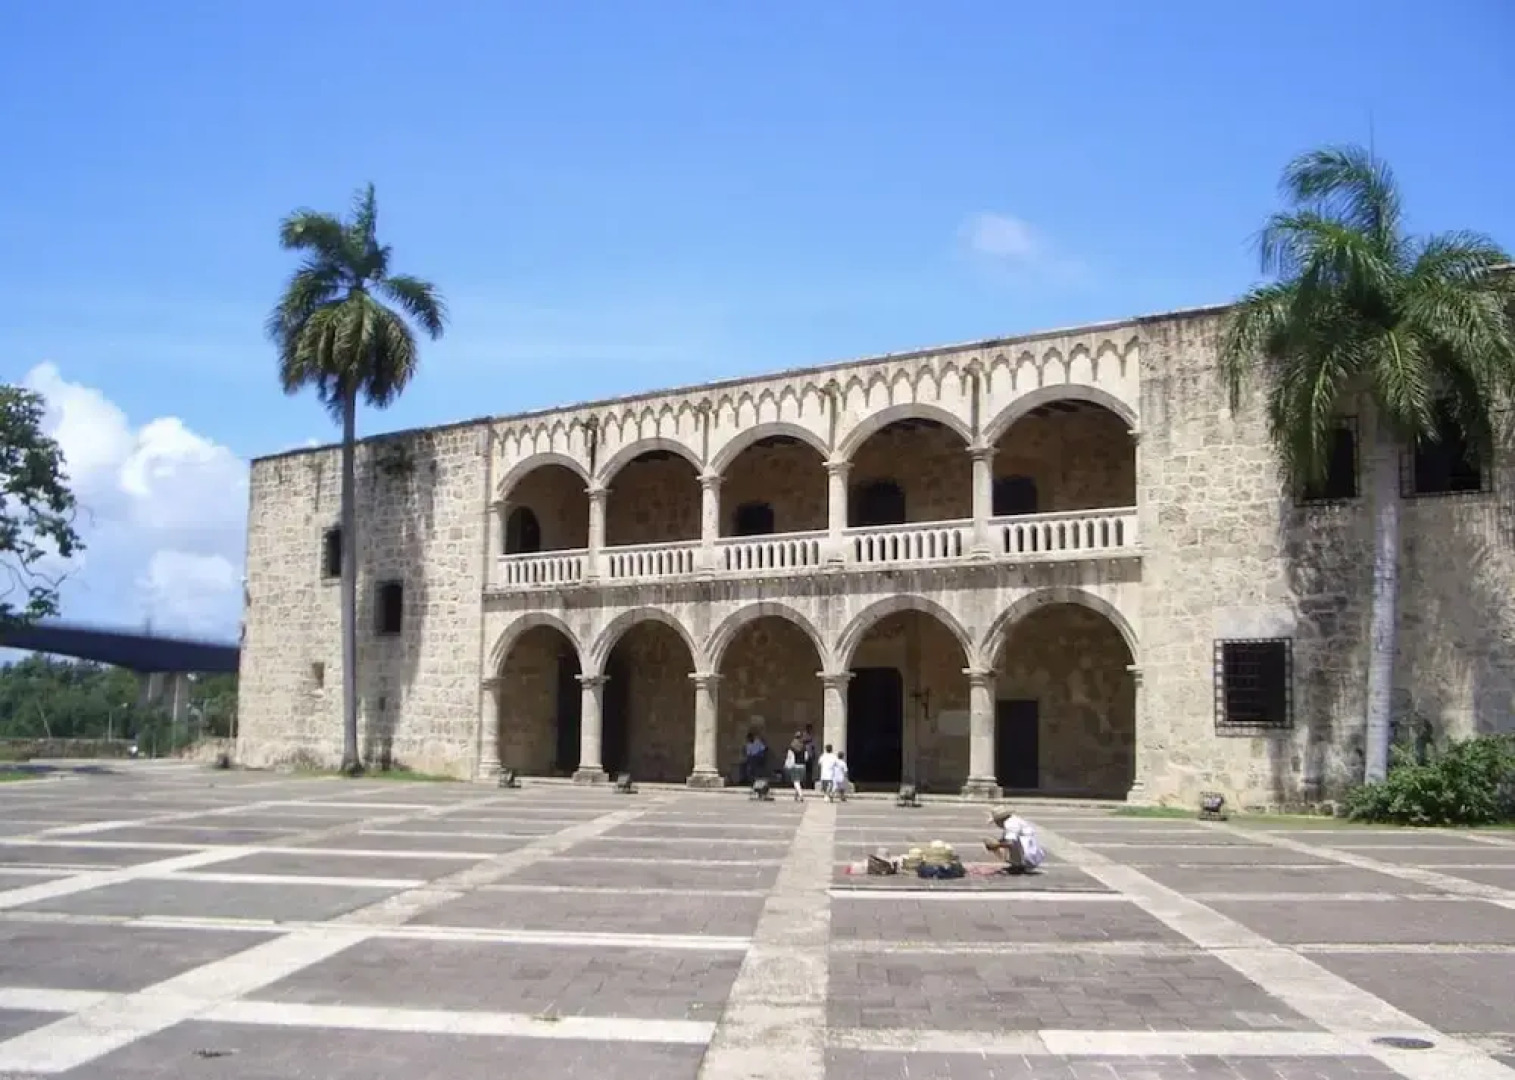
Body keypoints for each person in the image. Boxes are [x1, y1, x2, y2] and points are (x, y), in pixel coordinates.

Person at [984, 806, 1045, 873]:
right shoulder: (1013, 819)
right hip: (1032, 851)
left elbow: (1010, 843)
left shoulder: (1010, 824)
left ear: (999, 820)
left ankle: (1020, 865)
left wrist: (995, 845)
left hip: (1028, 855)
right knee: (1004, 841)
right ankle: (1018, 864)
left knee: (1004, 844)